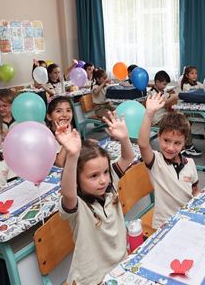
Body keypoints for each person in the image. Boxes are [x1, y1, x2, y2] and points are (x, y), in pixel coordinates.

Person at [55, 117, 135, 284]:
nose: (103, 180)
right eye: (93, 176)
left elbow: (127, 158)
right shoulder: (77, 206)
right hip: (91, 279)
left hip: (119, 266)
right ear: (77, 180)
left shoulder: (109, 186)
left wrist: (124, 138)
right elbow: (68, 193)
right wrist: (72, 155)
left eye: (105, 172)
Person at [138, 93, 200, 229]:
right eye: (166, 141)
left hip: (187, 220)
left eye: (177, 143)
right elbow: (143, 144)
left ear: (184, 143)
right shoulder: (156, 161)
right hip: (164, 225)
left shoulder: (190, 163)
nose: (170, 148)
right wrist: (149, 114)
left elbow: (195, 190)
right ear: (159, 137)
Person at [45, 96, 75, 167]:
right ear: (49, 116)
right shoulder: (46, 138)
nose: (65, 115)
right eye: (58, 111)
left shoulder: (71, 130)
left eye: (68, 110)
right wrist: (67, 141)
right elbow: (59, 164)